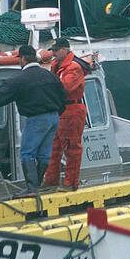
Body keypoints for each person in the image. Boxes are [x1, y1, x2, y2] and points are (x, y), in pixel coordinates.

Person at [0, 44, 65, 190]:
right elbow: (63, 96)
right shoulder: (51, 76)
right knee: (44, 154)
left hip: (36, 119)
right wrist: (56, 113)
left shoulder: (20, 79)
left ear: (23, 59)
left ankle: (31, 188)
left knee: (27, 153)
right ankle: (37, 185)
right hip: (54, 118)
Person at [42, 37, 87, 190]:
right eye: (52, 50)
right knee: (53, 146)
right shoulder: (56, 65)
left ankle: (70, 183)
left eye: (56, 50)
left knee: (71, 147)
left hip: (72, 110)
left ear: (65, 50)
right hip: (60, 109)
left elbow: (65, 88)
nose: (53, 53)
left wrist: (45, 86)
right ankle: (50, 180)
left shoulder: (73, 67)